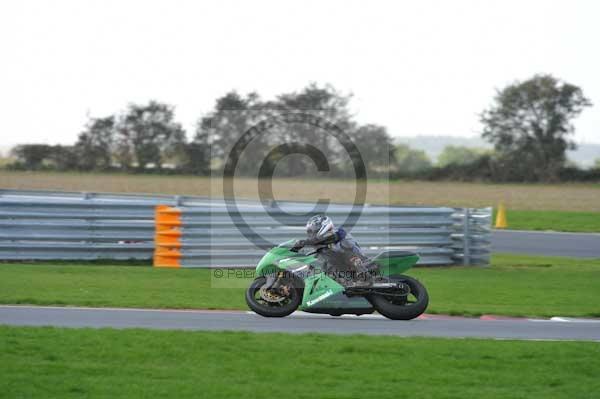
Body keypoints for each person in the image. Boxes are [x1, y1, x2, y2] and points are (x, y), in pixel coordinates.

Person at [291, 214, 373, 287]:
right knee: (313, 258)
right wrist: (292, 251)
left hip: (360, 263)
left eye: (313, 231)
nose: (311, 234)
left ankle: (365, 277)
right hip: (343, 269)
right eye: (310, 232)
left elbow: (322, 239)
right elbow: (316, 241)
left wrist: (303, 242)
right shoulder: (320, 242)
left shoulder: (338, 234)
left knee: (345, 246)